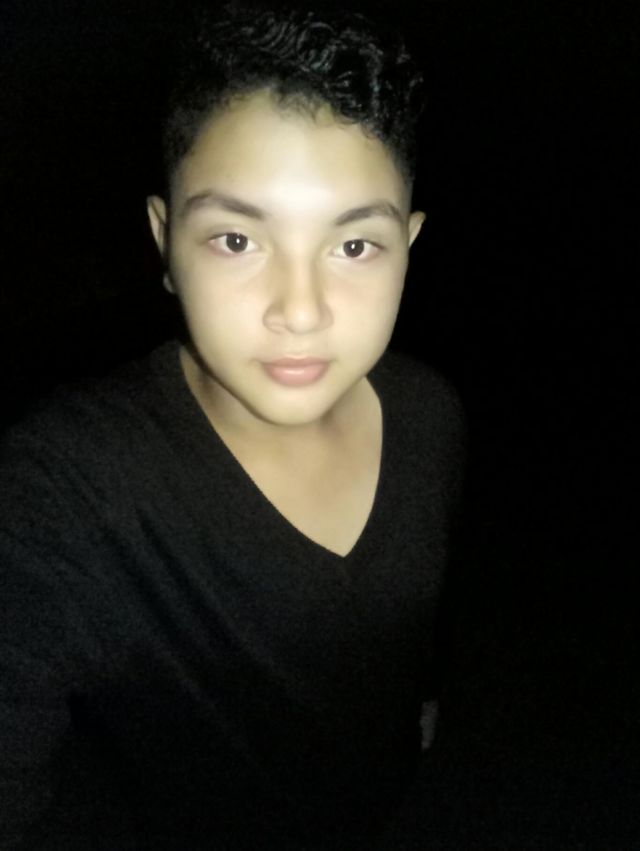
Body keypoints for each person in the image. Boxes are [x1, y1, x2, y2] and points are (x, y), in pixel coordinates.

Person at [0, 2, 466, 848]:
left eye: (354, 246)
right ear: (165, 241)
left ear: (410, 245)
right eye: (237, 240)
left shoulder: (430, 415)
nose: (300, 310)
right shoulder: (69, 486)